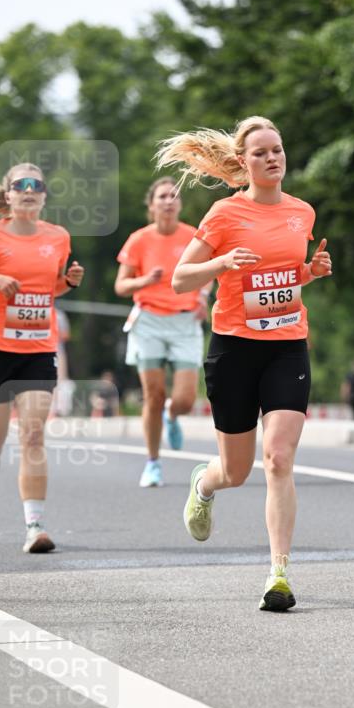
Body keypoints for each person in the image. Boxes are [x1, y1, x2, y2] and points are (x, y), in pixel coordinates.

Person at [158, 115, 332, 612]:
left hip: (286, 345)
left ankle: (279, 573)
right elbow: (180, 279)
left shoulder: (302, 212)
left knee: (278, 458)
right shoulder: (223, 213)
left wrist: (310, 273)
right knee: (235, 471)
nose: (272, 158)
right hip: (233, 348)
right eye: (261, 152)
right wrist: (220, 264)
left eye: (277, 149)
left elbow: (283, 282)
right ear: (243, 162)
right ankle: (203, 483)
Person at [0, 165, 84, 552]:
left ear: (44, 196)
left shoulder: (58, 237)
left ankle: (35, 526)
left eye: (37, 185)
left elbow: (47, 289)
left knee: (33, 434)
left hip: (38, 349)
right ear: (8, 196)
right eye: (21, 185)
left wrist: (66, 282)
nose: (29, 190)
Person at [114, 177, 211, 487]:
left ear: (179, 204)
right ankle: (153, 462)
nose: (169, 201)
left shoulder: (193, 236)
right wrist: (144, 281)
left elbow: (209, 271)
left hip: (185, 321)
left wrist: (203, 299)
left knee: (183, 399)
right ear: (152, 204)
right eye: (163, 196)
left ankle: (173, 414)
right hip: (149, 321)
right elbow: (121, 285)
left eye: (174, 196)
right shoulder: (139, 240)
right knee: (153, 395)